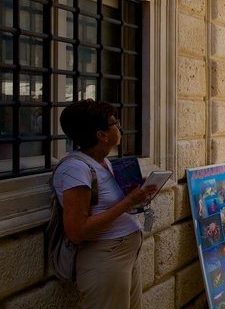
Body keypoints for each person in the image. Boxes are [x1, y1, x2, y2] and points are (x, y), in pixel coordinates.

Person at [53, 99, 158, 309]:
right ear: (101, 135)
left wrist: (138, 192)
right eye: (114, 123)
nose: (119, 127)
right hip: (105, 259)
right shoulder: (76, 170)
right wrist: (129, 201)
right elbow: (77, 231)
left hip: (122, 255)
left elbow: (108, 205)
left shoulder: (103, 162)